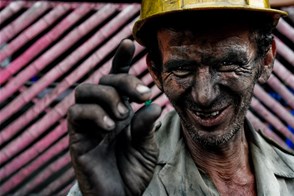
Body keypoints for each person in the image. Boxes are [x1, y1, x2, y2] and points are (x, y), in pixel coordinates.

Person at [67, 0, 294, 195]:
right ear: (156, 71)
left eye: (227, 64)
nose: (204, 96)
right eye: (183, 68)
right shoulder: (123, 173)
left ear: (266, 60)